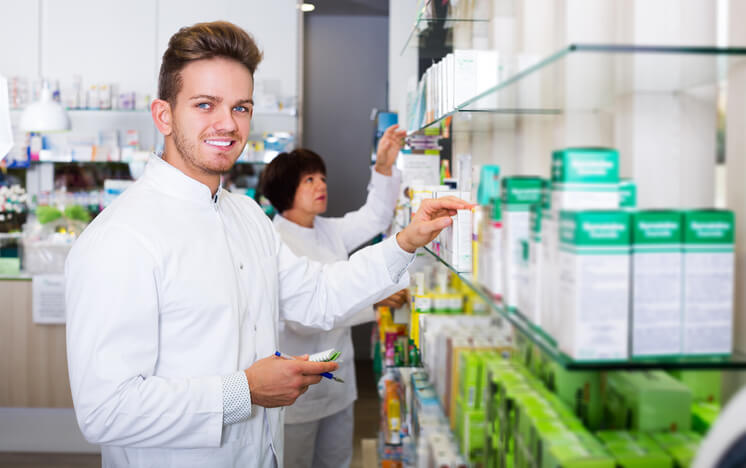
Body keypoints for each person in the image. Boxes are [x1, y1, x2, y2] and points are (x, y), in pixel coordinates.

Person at [64, 20, 469, 468]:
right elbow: (105, 410)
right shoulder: (121, 238)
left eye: (241, 108)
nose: (227, 124)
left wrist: (406, 241)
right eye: (205, 104)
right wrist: (245, 391)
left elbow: (318, 295)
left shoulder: (248, 216)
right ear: (164, 115)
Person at [259, 126, 407, 468]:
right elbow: (300, 318)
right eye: (309, 180)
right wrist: (374, 304)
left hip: (339, 384)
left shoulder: (327, 230)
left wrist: (383, 166)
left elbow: (376, 217)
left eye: (321, 178)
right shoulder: (275, 241)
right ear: (285, 189)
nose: (321, 185)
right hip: (297, 390)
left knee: (337, 460)